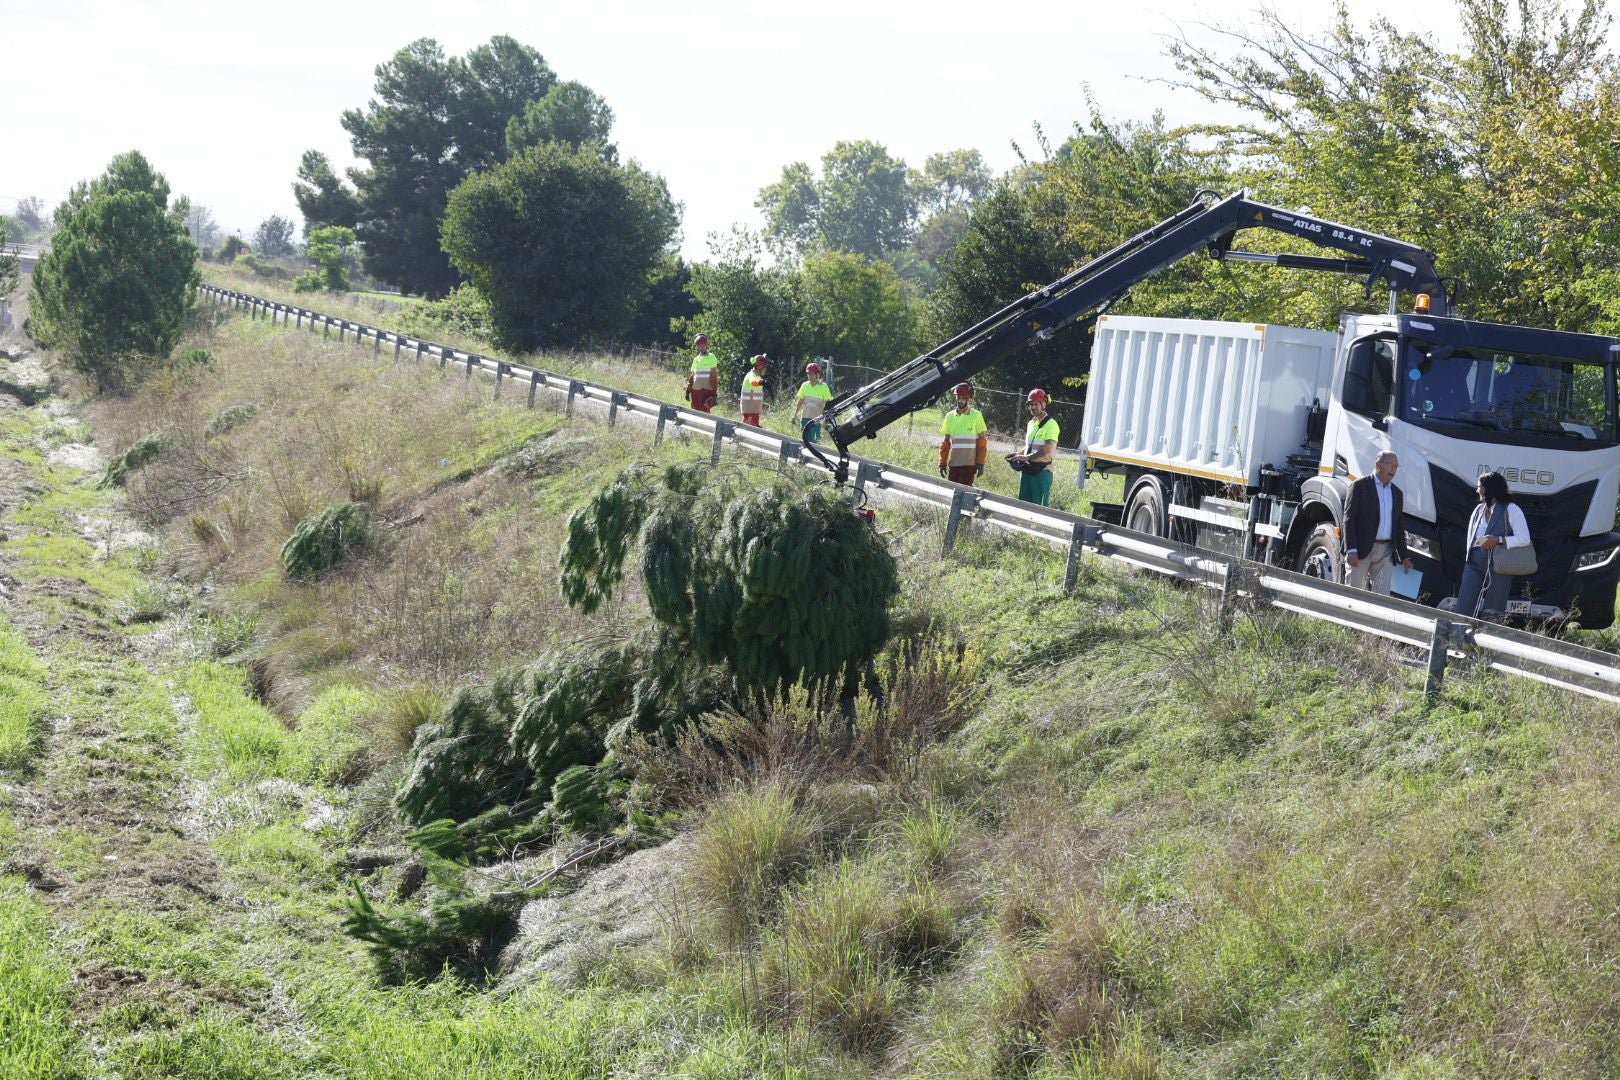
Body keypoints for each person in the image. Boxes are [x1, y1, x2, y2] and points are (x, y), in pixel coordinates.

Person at [1453, 470, 1532, 619]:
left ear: (1490, 489)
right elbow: (1473, 538)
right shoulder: (1478, 510)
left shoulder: (1512, 509)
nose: (1477, 490)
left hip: (1500, 566)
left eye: (1480, 487)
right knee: (1463, 607)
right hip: (1474, 563)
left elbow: (1524, 538)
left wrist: (1498, 540)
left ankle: (1486, 641)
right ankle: (1457, 639)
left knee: (1493, 613)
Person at [1343, 450, 1413, 594]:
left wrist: (1404, 556)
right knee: (1352, 593)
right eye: (1390, 465)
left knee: (1381, 598)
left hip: (1385, 552)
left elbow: (1398, 526)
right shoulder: (1359, 486)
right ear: (1378, 464)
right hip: (1361, 549)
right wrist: (1351, 549)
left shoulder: (1397, 493)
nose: (1393, 469)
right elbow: (1349, 519)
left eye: (1396, 466)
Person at [1009, 388, 1059, 505]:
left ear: (1044, 404)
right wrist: (1019, 455)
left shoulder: (1051, 424)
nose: (1033, 407)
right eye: (1031, 404)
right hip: (1027, 471)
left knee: (1039, 509)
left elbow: (1047, 449)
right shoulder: (1031, 423)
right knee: (1023, 507)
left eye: (1036, 404)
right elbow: (1029, 447)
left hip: (1042, 473)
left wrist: (1026, 458)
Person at [938, 381, 988, 486]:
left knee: (964, 494)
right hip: (954, 464)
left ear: (968, 399)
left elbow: (982, 442)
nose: (960, 401)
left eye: (963, 398)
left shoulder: (976, 416)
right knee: (952, 493)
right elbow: (946, 443)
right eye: (958, 398)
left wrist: (980, 463)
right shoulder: (949, 416)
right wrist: (942, 462)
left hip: (969, 465)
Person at [791, 362, 833, 443]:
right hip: (805, 418)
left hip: (817, 419)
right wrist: (795, 414)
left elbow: (828, 403)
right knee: (805, 439)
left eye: (812, 374)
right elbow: (800, 401)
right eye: (808, 374)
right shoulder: (804, 385)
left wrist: (827, 419)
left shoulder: (823, 387)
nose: (810, 376)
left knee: (815, 441)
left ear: (817, 374)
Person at [686, 333, 719, 413]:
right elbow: (692, 376)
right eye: (699, 345)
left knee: (705, 412)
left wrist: (714, 391)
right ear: (697, 346)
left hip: (706, 391)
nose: (701, 347)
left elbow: (713, 375)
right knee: (694, 411)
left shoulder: (711, 357)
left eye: (703, 345)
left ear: (706, 345)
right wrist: (688, 391)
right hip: (695, 391)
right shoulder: (696, 359)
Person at [739, 354, 768, 426]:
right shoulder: (751, 375)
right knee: (747, 431)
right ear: (759, 366)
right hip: (749, 411)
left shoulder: (757, 376)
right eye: (765, 367)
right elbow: (753, 382)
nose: (766, 369)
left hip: (754, 411)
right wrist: (761, 382)